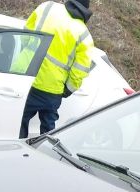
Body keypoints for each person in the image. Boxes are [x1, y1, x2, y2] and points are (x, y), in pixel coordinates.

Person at [17, 0, 94, 139]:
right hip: (53, 92)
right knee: (48, 132)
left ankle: (19, 154)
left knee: (19, 124)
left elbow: (26, 33)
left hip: (29, 79)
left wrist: (25, 55)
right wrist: (67, 90)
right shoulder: (84, 35)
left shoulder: (48, 7)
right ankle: (46, 157)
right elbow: (80, 71)